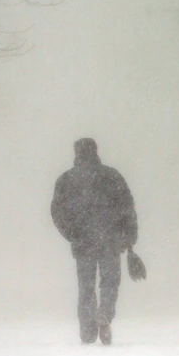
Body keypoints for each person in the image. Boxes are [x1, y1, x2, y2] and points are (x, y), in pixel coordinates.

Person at [51, 137, 138, 345]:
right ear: (95, 151)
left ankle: (88, 330)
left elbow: (57, 212)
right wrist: (129, 236)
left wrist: (72, 233)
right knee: (109, 283)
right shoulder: (112, 176)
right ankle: (105, 314)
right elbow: (127, 207)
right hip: (110, 239)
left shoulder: (66, 180)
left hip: (83, 241)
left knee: (86, 286)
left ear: (76, 153)